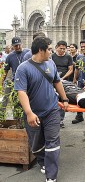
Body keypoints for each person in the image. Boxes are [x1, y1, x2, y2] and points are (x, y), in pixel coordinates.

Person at [14, 37, 69, 182]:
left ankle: (51, 176)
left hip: (52, 110)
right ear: (41, 50)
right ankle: (42, 161)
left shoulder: (51, 63)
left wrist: (65, 99)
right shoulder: (23, 68)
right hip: (34, 114)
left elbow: (57, 81)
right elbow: (21, 92)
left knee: (52, 141)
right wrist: (29, 113)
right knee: (36, 144)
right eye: (49, 49)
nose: (51, 52)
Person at [0, 37, 30, 116]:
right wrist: (1, 83)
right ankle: (17, 120)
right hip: (15, 82)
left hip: (27, 81)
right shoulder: (10, 56)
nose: (18, 47)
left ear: (22, 44)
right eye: (16, 46)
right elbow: (5, 71)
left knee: (26, 101)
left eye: (19, 45)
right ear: (12, 46)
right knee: (15, 101)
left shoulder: (28, 52)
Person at [52, 40, 73, 128]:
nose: (62, 50)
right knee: (54, 99)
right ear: (57, 48)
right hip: (53, 80)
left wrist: (63, 78)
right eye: (61, 48)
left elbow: (71, 69)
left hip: (64, 81)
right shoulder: (52, 56)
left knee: (62, 99)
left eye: (64, 49)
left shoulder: (68, 57)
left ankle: (60, 119)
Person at [72, 40, 85, 124]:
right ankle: (79, 116)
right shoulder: (78, 57)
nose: (83, 48)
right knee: (79, 98)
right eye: (82, 46)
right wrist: (75, 79)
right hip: (80, 81)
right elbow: (77, 69)